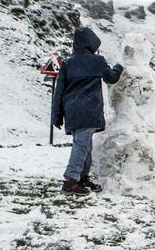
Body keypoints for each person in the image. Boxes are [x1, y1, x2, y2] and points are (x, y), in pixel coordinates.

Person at [52, 27, 123, 195]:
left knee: (86, 145)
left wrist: (57, 114)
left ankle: (83, 177)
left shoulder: (68, 63)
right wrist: (119, 67)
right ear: (91, 43)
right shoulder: (96, 61)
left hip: (72, 111)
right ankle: (71, 180)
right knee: (81, 145)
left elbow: (59, 91)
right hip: (89, 109)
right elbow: (111, 78)